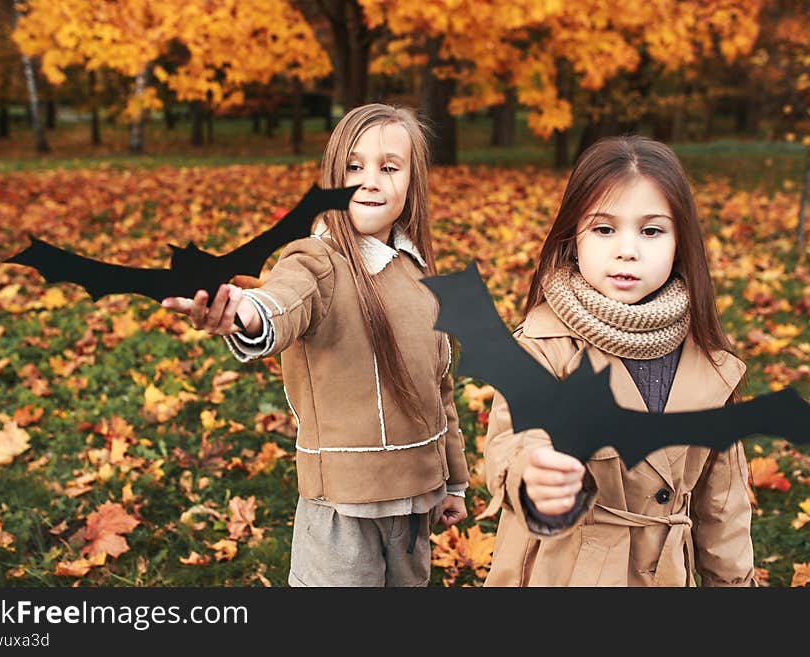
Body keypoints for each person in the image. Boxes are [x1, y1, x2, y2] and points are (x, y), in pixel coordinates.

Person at [162, 103, 469, 587]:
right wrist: (242, 311)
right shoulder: (315, 261)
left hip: (415, 504)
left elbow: (440, 390)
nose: (369, 180)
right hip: (341, 509)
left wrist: (453, 481)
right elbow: (281, 303)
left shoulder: (421, 277)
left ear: (412, 183)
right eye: (353, 166)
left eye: (389, 168)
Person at [479, 135, 755, 587]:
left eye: (651, 230)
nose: (628, 250)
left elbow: (722, 508)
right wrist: (533, 474)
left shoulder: (709, 362)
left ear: (680, 242)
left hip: (664, 575)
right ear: (573, 239)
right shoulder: (543, 346)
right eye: (604, 229)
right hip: (564, 572)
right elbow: (514, 439)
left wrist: (735, 584)